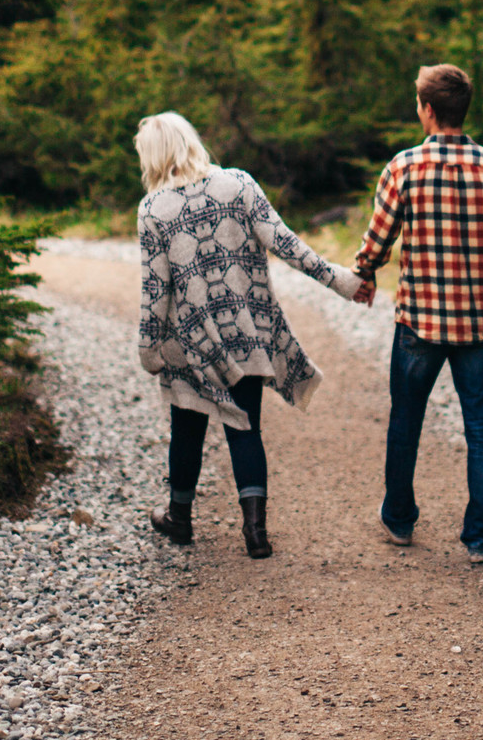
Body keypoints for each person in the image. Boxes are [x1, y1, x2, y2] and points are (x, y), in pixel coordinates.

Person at [133, 111, 374, 558]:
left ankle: (179, 519)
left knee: (185, 431)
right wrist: (343, 281)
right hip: (245, 335)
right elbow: (287, 245)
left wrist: (149, 349)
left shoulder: (153, 210)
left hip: (190, 345)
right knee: (246, 428)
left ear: (152, 156)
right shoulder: (239, 184)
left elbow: (155, 290)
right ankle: (255, 533)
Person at [351, 64, 483, 562]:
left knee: (406, 420)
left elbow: (378, 241)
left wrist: (364, 274)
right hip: (476, 325)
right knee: (481, 427)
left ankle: (400, 520)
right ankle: (481, 539)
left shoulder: (404, 167)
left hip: (418, 325)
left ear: (428, 110)